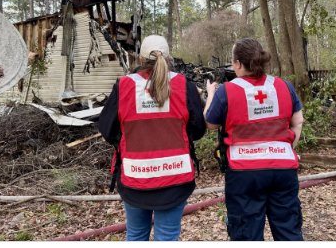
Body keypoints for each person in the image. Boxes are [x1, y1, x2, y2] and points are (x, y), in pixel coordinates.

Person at [96, 34, 205, 242]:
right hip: (176, 180)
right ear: (169, 58)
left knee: (136, 235)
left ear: (140, 59)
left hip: (134, 179)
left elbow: (107, 129)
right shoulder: (185, 85)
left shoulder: (124, 86)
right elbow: (198, 129)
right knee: (167, 236)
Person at [204, 37, 304, 241]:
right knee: (289, 231)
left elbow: (210, 123)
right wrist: (287, 147)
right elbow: (298, 121)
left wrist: (211, 95)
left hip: (244, 173)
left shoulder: (227, 90)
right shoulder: (284, 86)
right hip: (283, 169)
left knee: (246, 234)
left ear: (238, 64)